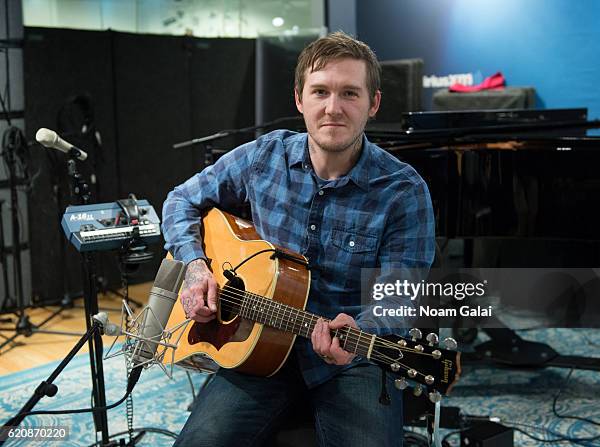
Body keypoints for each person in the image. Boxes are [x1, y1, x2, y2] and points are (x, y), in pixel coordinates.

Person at [162, 31, 435, 447]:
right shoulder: (262, 157)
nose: (333, 108)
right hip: (253, 346)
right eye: (320, 91)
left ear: (373, 103)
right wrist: (197, 268)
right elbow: (180, 200)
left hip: (351, 360)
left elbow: (401, 294)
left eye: (350, 93)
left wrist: (363, 330)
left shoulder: (403, 190)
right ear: (299, 99)